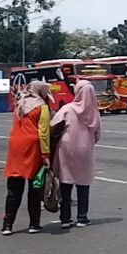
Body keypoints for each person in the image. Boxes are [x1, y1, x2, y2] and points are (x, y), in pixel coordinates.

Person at [2, 81, 52, 235]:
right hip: (33, 147)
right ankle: (34, 224)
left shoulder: (20, 103)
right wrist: (46, 154)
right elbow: (43, 132)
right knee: (34, 187)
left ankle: (7, 225)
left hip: (15, 146)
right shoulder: (42, 107)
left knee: (13, 188)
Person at [52, 79, 102, 229]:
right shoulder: (94, 112)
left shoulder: (68, 108)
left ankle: (65, 218)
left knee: (65, 183)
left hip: (66, 148)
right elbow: (97, 135)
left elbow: (53, 125)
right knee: (83, 184)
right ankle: (82, 218)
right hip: (85, 149)